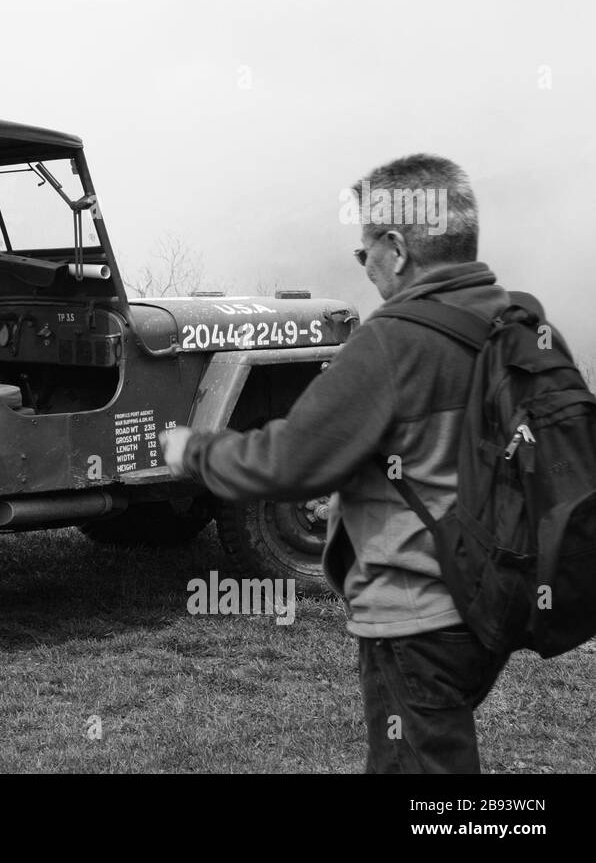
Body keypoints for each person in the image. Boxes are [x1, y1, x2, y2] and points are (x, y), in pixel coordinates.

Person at [163, 154, 513, 773]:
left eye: (364, 252)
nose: (367, 267)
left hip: (417, 615)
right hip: (493, 605)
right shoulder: (518, 328)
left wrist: (193, 450)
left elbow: (290, 462)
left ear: (397, 248)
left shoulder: (392, 342)